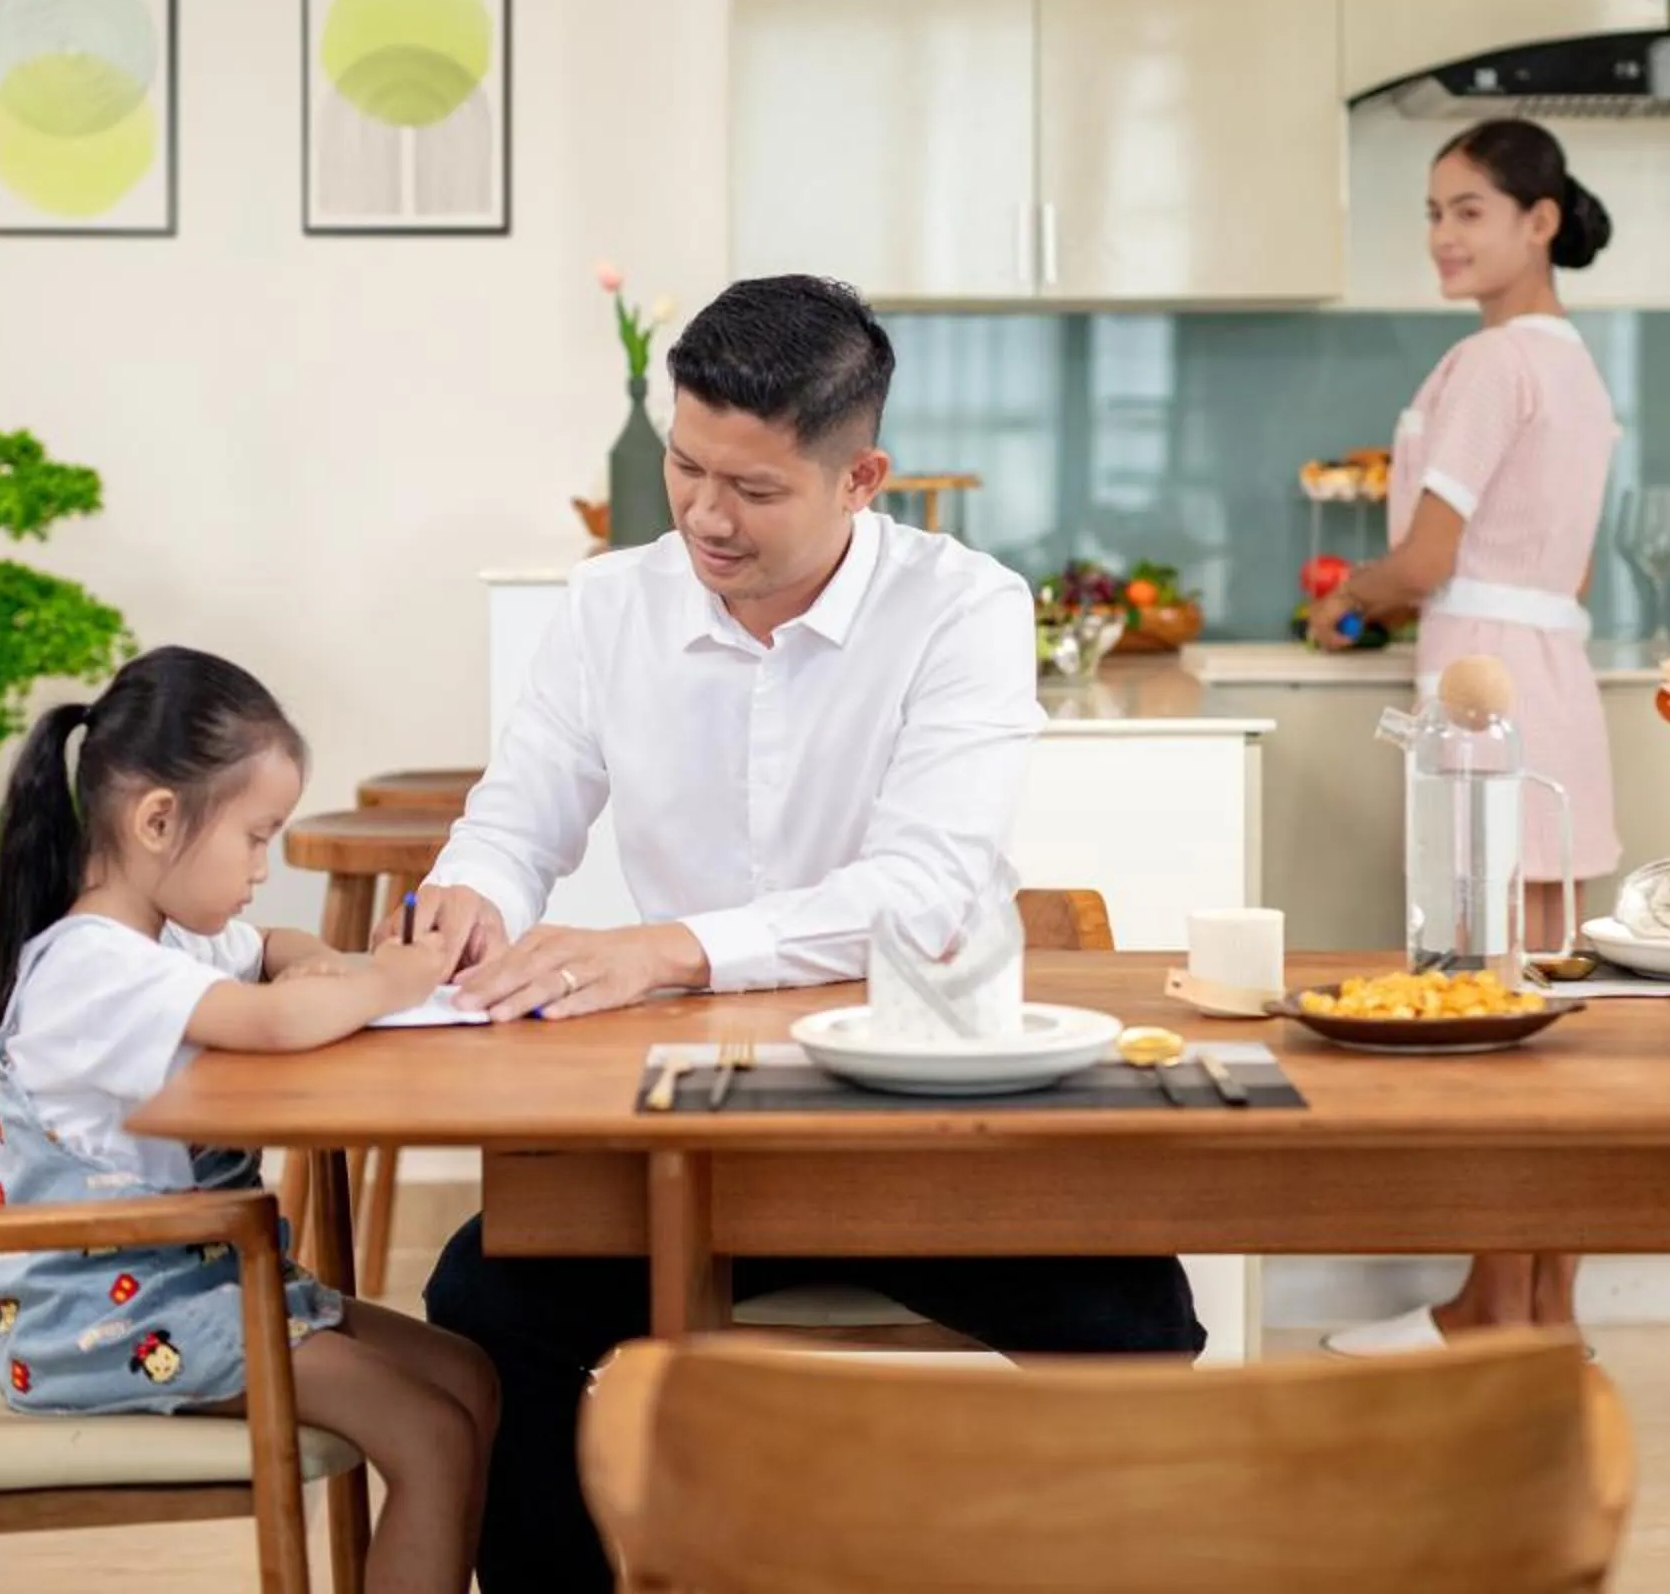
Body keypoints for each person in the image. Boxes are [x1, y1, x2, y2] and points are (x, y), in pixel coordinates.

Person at [402, 274, 1204, 1593]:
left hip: (931, 1125)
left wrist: (663, 947)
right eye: (686, 467)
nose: (707, 518)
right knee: (486, 1303)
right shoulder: (611, 608)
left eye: (755, 490)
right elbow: (518, 813)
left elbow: (926, 892)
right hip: (693, 1144)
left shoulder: (964, 609)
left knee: (1136, 1321)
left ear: (861, 476)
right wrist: (470, 896)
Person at [0, 645, 496, 1594]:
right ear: (159, 820)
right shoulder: (92, 966)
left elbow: (277, 955)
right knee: (432, 1432)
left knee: (471, 1380)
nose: (265, 866)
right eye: (257, 837)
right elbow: (276, 1019)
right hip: (99, 1320)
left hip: (206, 1281)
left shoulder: (172, 934)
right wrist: (391, 978)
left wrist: (318, 965)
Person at [1305, 119, 1623, 1356]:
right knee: (1541, 1018)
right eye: (1433, 211)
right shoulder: (1578, 364)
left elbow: (1431, 562)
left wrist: (1351, 595)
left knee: (1489, 1019)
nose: (1443, 235)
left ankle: (1488, 1313)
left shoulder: (1494, 363)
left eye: (1471, 210)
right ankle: (1543, 1312)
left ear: (1541, 220)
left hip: (1486, 696)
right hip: (1552, 681)